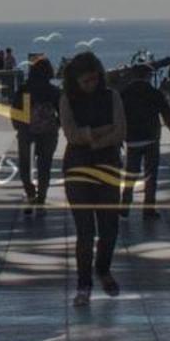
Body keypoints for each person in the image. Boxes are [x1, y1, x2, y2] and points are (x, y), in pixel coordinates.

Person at [60, 51, 125, 306]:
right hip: (77, 169)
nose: (91, 85)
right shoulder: (67, 100)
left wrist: (91, 138)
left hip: (108, 166)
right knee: (85, 231)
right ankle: (83, 284)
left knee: (110, 227)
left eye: (94, 79)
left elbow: (120, 131)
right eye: (85, 81)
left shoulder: (112, 97)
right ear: (75, 80)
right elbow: (71, 134)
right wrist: (100, 132)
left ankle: (103, 269)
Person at [120, 58, 170, 220]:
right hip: (151, 138)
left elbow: (117, 117)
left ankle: (125, 205)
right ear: (148, 76)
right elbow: (168, 116)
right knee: (151, 176)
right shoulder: (154, 93)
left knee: (130, 174)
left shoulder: (124, 93)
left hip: (132, 139)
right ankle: (148, 209)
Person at [11, 54, 61, 211]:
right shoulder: (53, 91)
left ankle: (30, 193)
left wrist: (18, 126)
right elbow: (62, 111)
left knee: (25, 165)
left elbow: (17, 111)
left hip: (27, 131)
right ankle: (42, 197)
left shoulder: (25, 90)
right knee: (44, 165)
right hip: (49, 132)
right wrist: (56, 125)